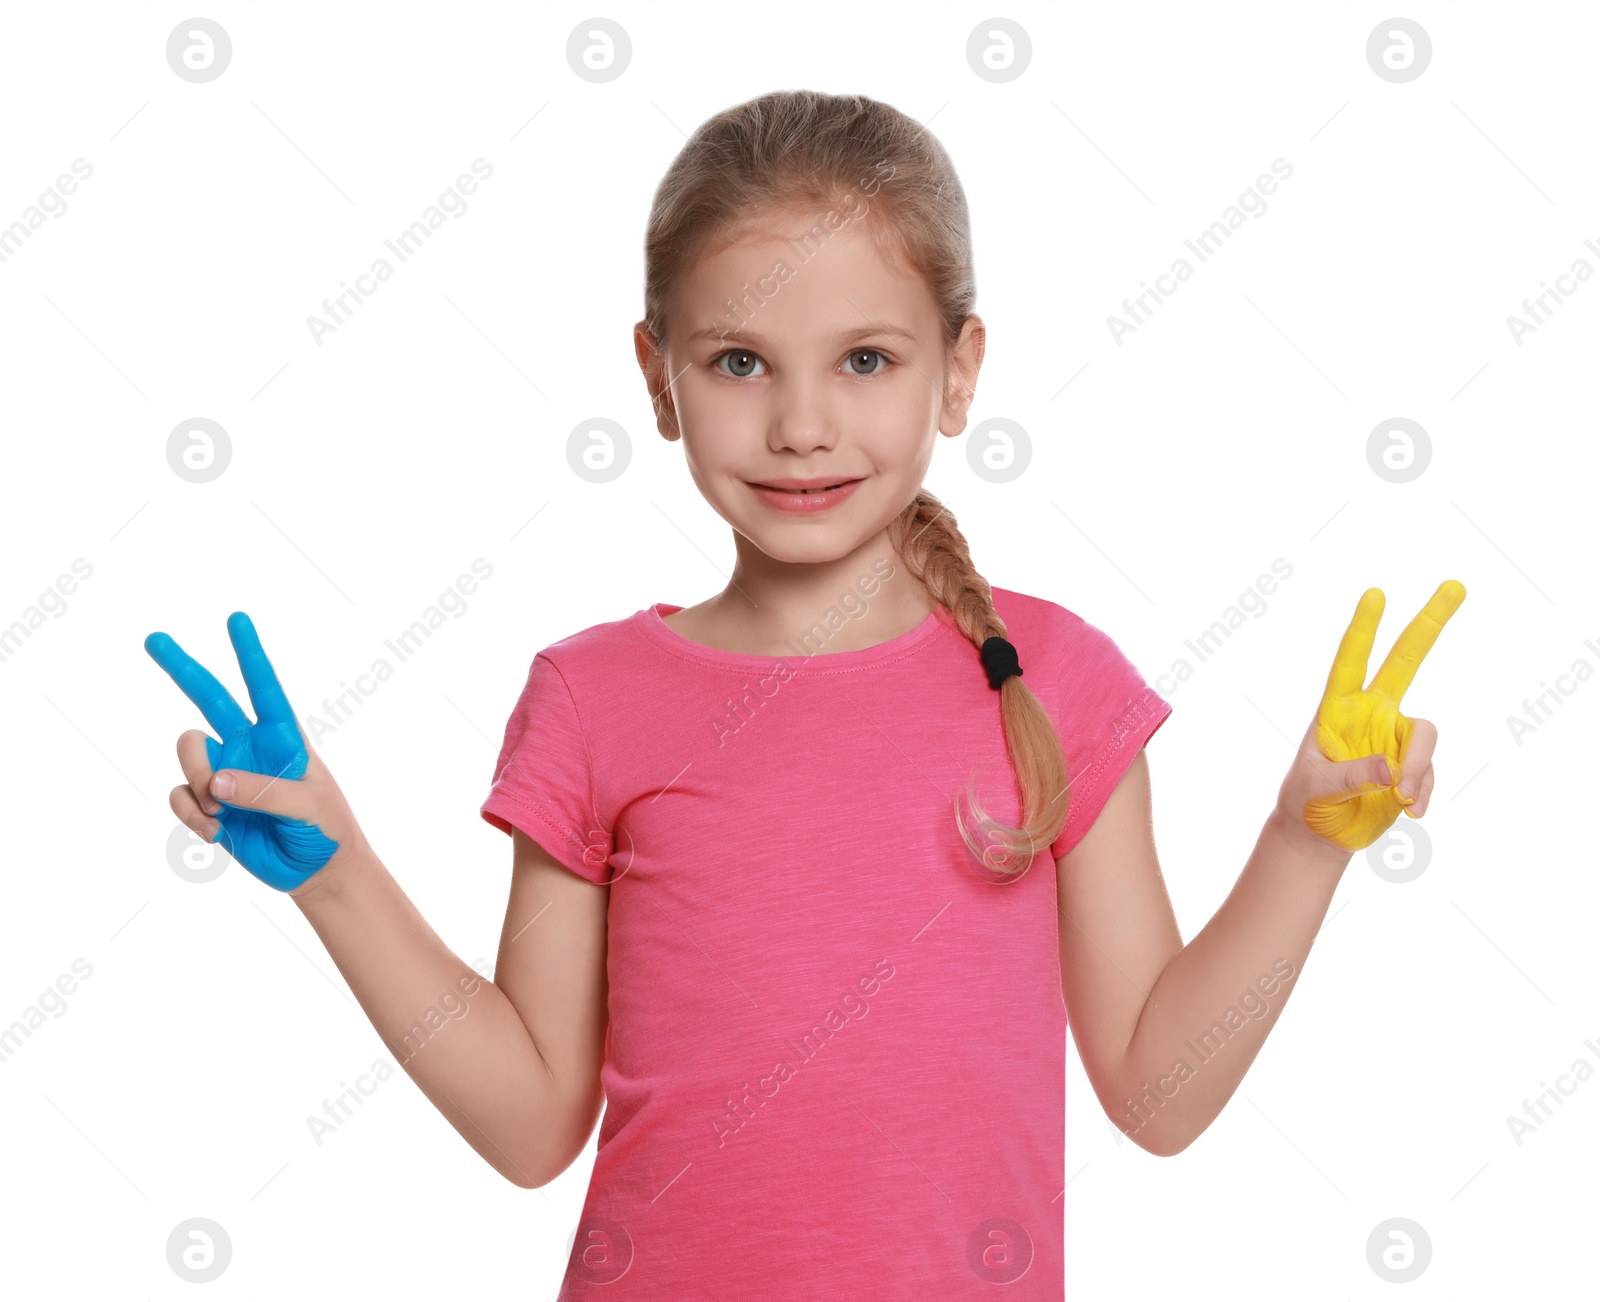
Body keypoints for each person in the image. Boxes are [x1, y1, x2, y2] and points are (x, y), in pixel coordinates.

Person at [145, 90, 1465, 1300]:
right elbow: (532, 1121)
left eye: (866, 360)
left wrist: (1302, 844)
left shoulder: (1058, 681)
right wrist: (337, 874)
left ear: (961, 369)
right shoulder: (591, 697)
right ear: (656, 376)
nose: (801, 425)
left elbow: (1158, 1089)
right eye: (739, 363)